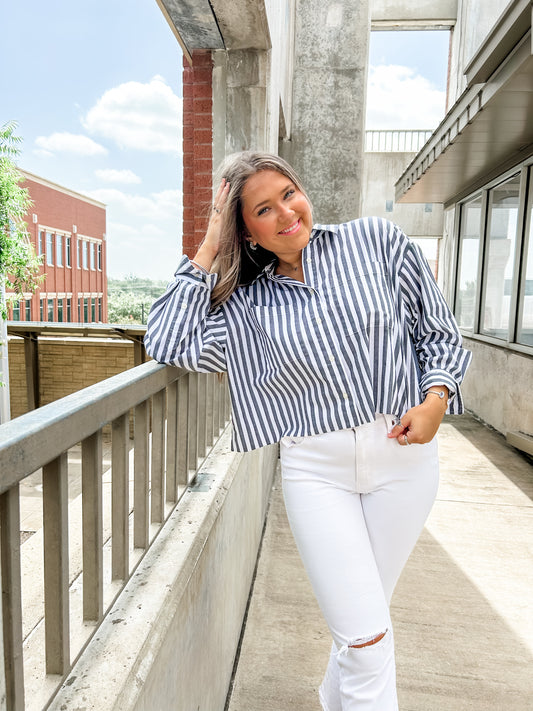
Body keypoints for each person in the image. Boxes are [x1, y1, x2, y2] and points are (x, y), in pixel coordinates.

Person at [145, 151, 471, 710]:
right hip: (316, 473)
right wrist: (208, 241)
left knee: (364, 625)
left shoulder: (377, 241)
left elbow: (438, 332)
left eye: (288, 193)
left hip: (404, 464)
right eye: (262, 210)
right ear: (245, 231)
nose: (286, 213)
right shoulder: (246, 304)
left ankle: (333, 698)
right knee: (367, 639)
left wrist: (436, 397)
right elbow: (169, 341)